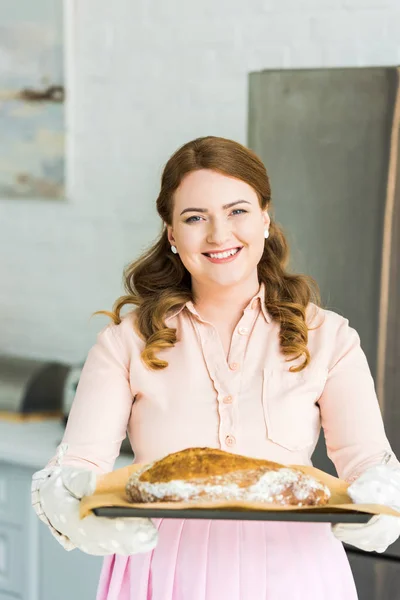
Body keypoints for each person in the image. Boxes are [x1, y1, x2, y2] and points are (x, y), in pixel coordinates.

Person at [31, 136, 400, 600]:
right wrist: (72, 508)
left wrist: (383, 503)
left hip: (297, 575)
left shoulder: (330, 338)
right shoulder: (124, 343)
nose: (219, 234)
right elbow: (74, 467)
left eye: (237, 211)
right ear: (171, 234)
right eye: (194, 218)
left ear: (265, 218)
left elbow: (371, 463)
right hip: (161, 573)